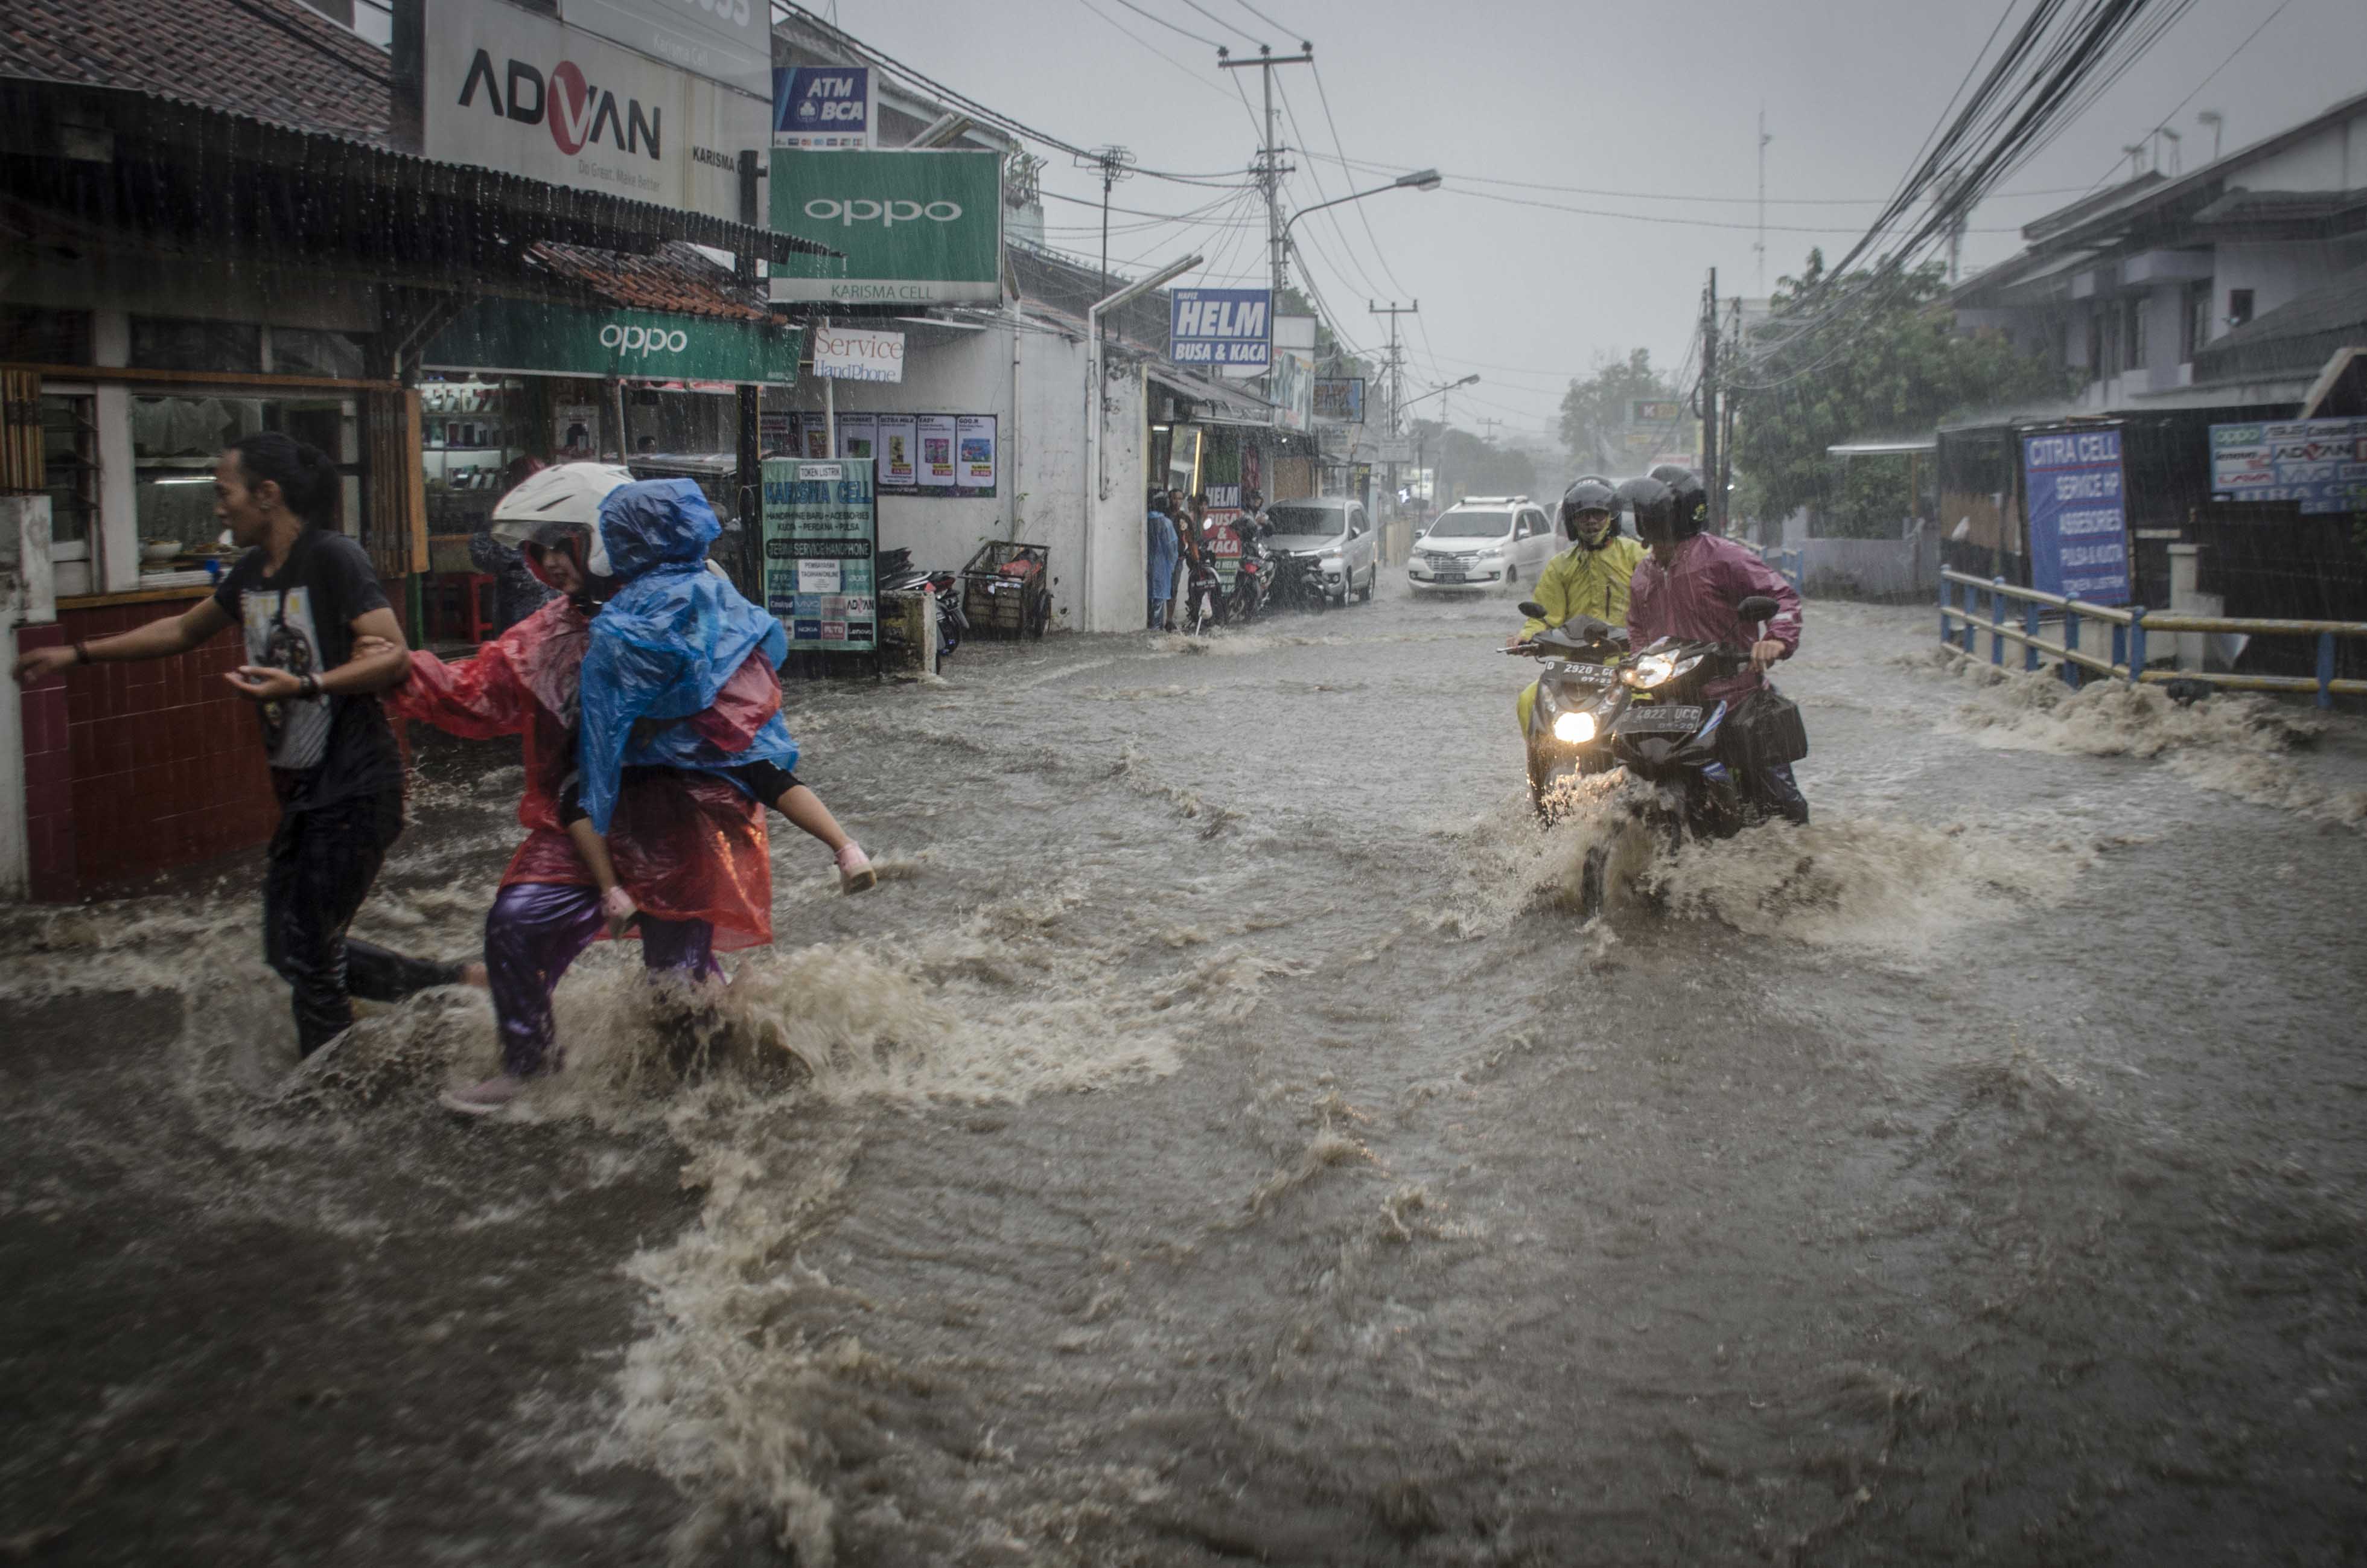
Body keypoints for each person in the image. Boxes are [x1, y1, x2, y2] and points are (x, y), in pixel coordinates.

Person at [10, 432, 479, 1058]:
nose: (217, 508)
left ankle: (330, 1092)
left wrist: (307, 682)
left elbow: (391, 653)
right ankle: (458, 983)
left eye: (223, 493)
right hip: (306, 791)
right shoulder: (251, 574)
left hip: (358, 784)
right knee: (289, 949)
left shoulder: (333, 558)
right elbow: (182, 629)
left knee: (309, 954)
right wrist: (76, 652)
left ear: (268, 494)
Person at [375, 512, 780, 1115]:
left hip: (678, 821)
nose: (552, 561)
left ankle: (720, 1091)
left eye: (563, 545)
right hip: (580, 817)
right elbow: (481, 688)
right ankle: (530, 1064)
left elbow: (747, 717)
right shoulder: (547, 630)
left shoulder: (688, 608)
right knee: (515, 920)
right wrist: (399, 671)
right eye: (541, 550)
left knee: (677, 983)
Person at [566, 479, 873, 933]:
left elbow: (612, 687)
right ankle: (846, 848)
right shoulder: (714, 587)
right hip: (726, 735)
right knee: (770, 776)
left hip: (657, 747)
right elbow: (751, 651)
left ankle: (613, 893)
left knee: (575, 795)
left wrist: (650, 718)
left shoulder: (628, 607)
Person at [1623, 471, 1809, 824]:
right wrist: (1638, 664)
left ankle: (1801, 863)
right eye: (1646, 517)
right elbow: (1637, 628)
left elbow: (1781, 596)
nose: (1651, 529)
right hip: (1671, 704)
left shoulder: (1723, 557)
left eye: (1656, 517)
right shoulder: (1643, 574)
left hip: (1735, 698)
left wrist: (1774, 640)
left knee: (1784, 803)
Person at [1510, 475, 1649, 738]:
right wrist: (1526, 637)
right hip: (1574, 665)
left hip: (1628, 662)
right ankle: (1542, 771)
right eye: (1583, 516)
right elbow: (1544, 616)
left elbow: (1657, 605)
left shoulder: (1637, 556)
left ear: (1612, 518)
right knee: (1529, 700)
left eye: (1598, 514)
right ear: (1573, 523)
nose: (1591, 521)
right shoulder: (1560, 565)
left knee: (1651, 701)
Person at [468, 455, 556, 634]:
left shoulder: (555, 516)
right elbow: (481, 555)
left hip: (553, 604)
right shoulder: (504, 518)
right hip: (516, 607)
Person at [1146, 485, 1179, 631]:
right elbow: (1172, 548)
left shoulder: (1146, 520)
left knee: (1149, 599)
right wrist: (1172, 566)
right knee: (1158, 600)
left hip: (1148, 565)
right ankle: (1156, 629)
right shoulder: (1166, 523)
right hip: (1162, 567)